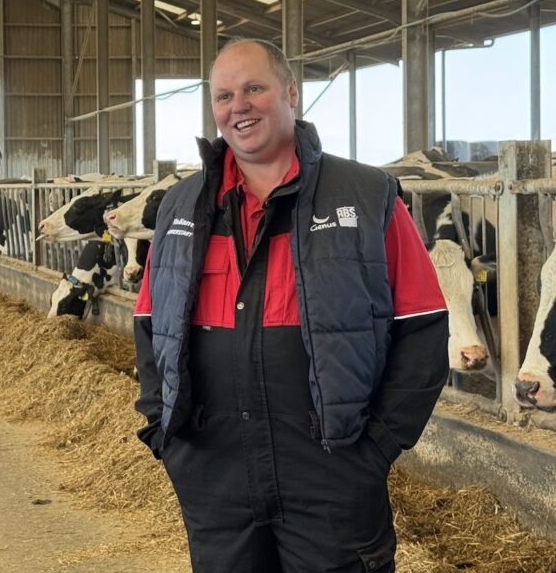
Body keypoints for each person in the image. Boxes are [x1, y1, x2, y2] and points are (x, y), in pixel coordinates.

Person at [132, 38, 449, 572]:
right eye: (224, 95)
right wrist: (165, 434)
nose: (239, 106)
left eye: (254, 88)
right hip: (215, 473)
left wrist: (374, 451)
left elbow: (423, 329)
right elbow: (149, 326)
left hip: (332, 469)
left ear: (291, 92)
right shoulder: (181, 207)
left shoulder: (365, 195)